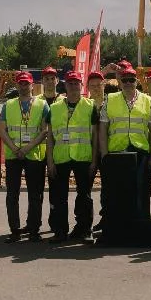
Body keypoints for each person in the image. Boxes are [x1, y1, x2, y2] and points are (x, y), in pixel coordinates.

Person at [102, 61, 151, 219]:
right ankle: (119, 228)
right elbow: (103, 129)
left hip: (140, 153)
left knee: (142, 191)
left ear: (137, 81)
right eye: (125, 80)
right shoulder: (110, 99)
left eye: (131, 80)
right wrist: (104, 154)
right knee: (119, 192)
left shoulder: (147, 101)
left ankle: (142, 225)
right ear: (120, 82)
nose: (128, 83)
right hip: (116, 153)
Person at [47, 69, 100, 240]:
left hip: (83, 157)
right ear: (65, 86)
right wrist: (50, 162)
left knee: (84, 196)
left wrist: (94, 161)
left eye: (76, 83)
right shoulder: (54, 108)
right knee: (59, 196)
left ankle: (84, 230)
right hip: (60, 157)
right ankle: (60, 231)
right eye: (70, 83)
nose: (73, 86)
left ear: (81, 85)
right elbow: (50, 137)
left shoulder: (90, 106)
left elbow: (95, 136)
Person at [2, 71, 50, 240]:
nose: (23, 86)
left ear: (32, 85)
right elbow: (3, 130)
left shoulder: (42, 104)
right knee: (12, 194)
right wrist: (15, 148)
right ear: (17, 85)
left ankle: (33, 229)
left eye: (26, 83)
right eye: (21, 83)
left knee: (35, 194)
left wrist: (28, 147)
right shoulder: (8, 105)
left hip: (34, 154)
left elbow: (44, 131)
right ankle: (14, 230)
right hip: (13, 155)